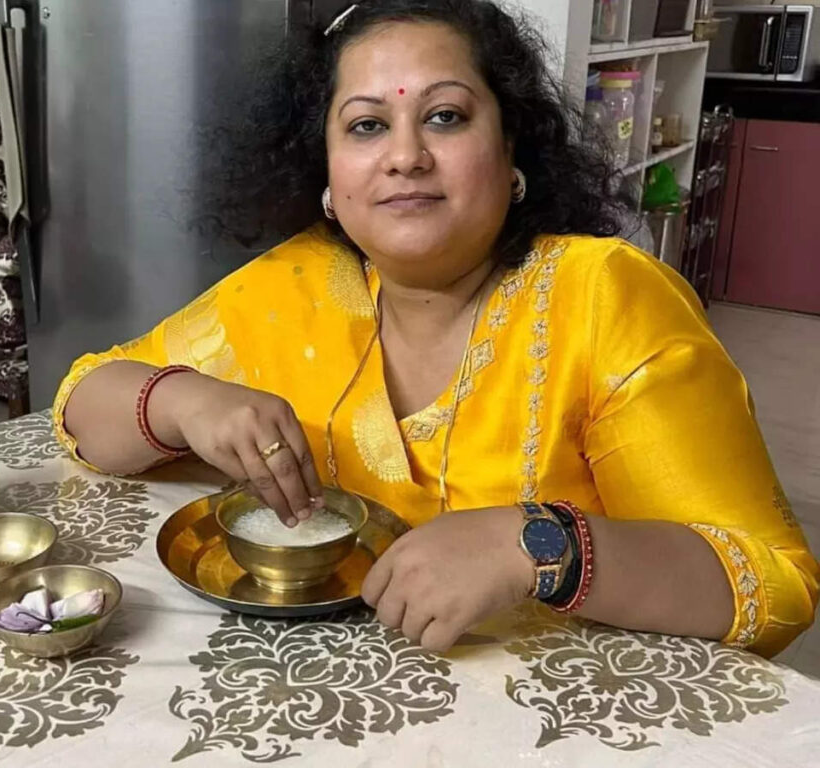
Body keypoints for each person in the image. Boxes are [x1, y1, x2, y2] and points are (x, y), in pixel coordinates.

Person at [53, 0, 818, 656]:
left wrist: (535, 545)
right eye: (366, 125)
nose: (405, 156)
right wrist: (184, 401)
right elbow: (80, 406)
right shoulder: (291, 287)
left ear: (512, 150)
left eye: (445, 117)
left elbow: (772, 581)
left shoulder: (605, 295)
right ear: (327, 176)